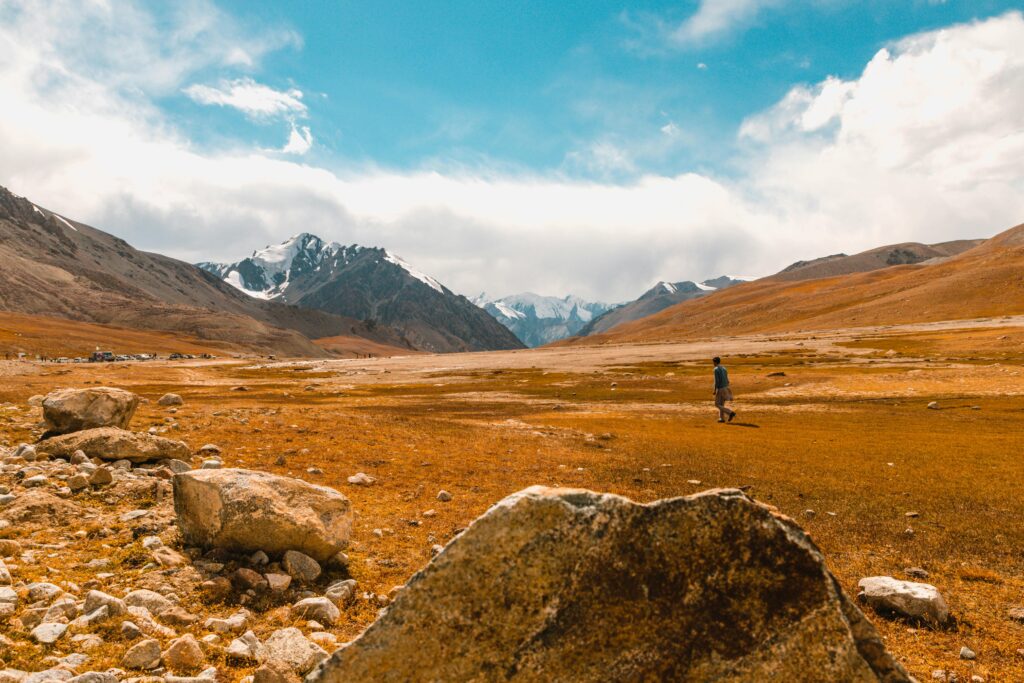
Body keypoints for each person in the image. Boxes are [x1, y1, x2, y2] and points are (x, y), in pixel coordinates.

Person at [712, 356, 736, 423]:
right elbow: (727, 379)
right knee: (721, 404)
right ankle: (721, 418)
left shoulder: (716, 369)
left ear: (715, 362)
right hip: (726, 387)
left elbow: (717, 381)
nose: (713, 364)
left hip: (721, 388)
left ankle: (730, 412)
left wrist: (714, 390)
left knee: (717, 404)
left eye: (713, 362)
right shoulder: (724, 368)